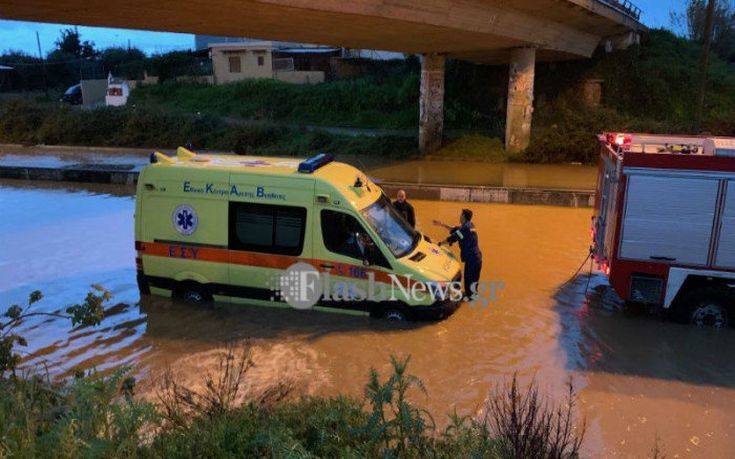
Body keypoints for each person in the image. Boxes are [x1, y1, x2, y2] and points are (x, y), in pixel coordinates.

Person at [433, 209, 482, 299]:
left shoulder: (465, 229)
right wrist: (442, 225)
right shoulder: (470, 225)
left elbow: (453, 238)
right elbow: (454, 229)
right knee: (472, 284)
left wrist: (440, 244)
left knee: (469, 284)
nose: (459, 216)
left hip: (472, 259)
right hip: (476, 258)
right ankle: (472, 299)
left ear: (463, 217)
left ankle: (469, 300)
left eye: (461, 215)